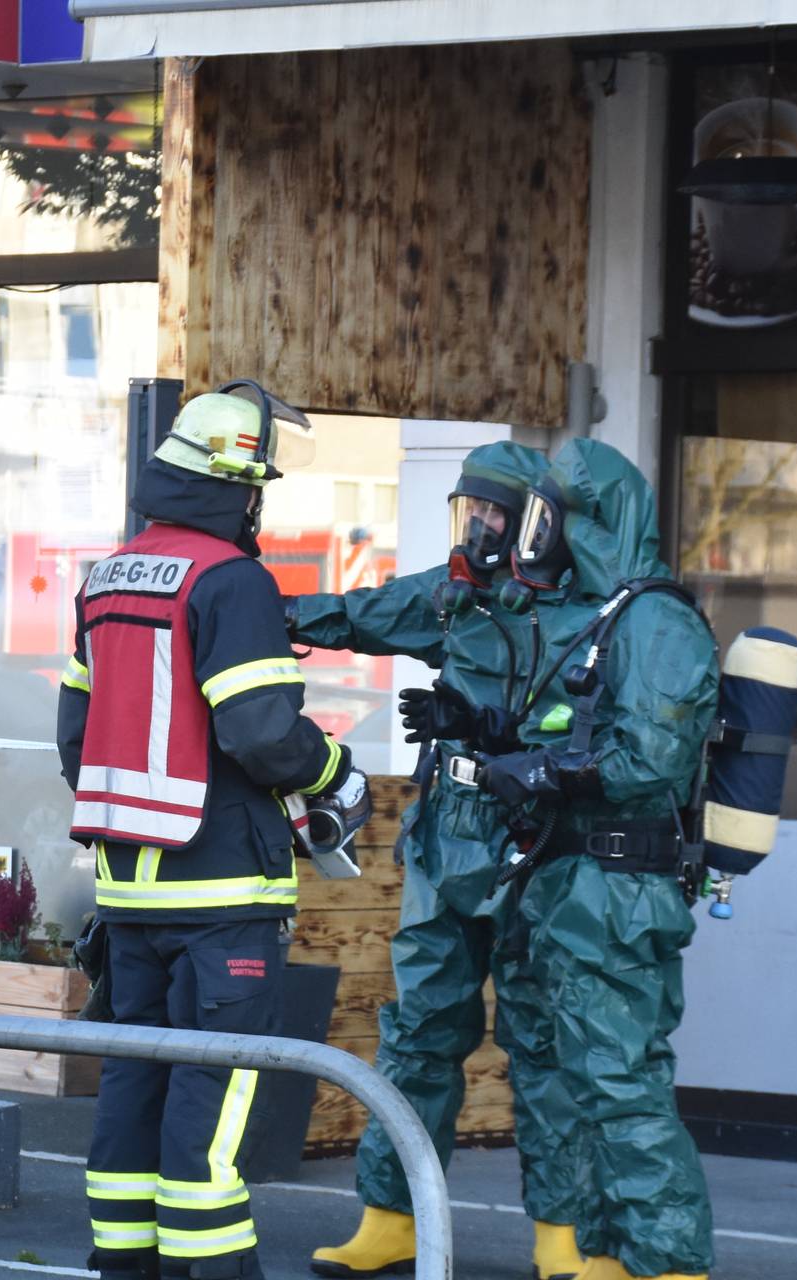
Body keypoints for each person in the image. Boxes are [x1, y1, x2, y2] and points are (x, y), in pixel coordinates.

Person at [59, 381, 371, 1280]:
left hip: (128, 895)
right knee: (214, 1094)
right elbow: (262, 732)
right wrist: (333, 774)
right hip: (223, 889)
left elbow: (76, 740)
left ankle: (124, 1265)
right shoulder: (231, 581)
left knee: (134, 1082)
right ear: (241, 487)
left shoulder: (110, 573)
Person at [291, 443, 594, 1280]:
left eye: (498, 513)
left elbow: (599, 738)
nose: (483, 529)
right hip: (448, 828)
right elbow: (355, 613)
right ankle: (390, 1218)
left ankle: (561, 1240)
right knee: (420, 1032)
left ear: (541, 520)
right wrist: (258, 611)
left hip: (540, 842)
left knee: (542, 1042)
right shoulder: (450, 599)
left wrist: (498, 729)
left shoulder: (587, 613)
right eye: (472, 512)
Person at [477, 438, 721, 1280]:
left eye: (551, 516)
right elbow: (578, 730)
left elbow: (647, 761)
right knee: (584, 1089)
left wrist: (543, 773)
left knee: (623, 1089)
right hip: (576, 885)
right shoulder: (610, 613)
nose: (536, 535)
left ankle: (672, 1262)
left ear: (594, 520)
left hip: (616, 891)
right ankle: (614, 1254)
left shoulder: (656, 621)